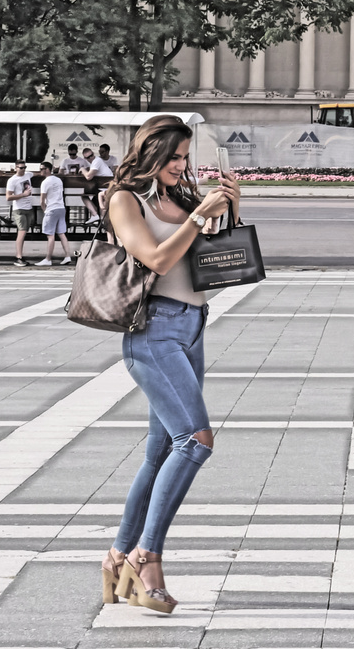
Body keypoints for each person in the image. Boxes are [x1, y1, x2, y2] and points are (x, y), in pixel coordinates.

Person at [101, 115, 241, 614]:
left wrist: (227, 206)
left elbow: (208, 254)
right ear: (151, 153)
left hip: (192, 327)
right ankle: (146, 557)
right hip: (152, 331)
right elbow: (156, 259)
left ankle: (118, 555)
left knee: (160, 454)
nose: (181, 166)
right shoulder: (125, 200)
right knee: (195, 441)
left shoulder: (180, 197)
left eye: (185, 157)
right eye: (174, 158)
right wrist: (196, 215)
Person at [36, 161, 73, 266]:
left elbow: (42, 201)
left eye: (42, 169)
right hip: (61, 207)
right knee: (62, 234)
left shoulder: (45, 182)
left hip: (51, 209)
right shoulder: (58, 180)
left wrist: (45, 211)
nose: (40, 171)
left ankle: (48, 259)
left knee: (50, 235)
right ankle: (67, 256)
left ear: (47, 169)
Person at [5, 161, 39, 267]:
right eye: (21, 168)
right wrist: (23, 195)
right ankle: (18, 256)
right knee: (22, 232)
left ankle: (20, 255)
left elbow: (36, 173)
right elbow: (8, 197)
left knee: (24, 232)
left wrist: (44, 171)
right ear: (16, 168)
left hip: (28, 207)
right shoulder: (12, 180)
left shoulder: (28, 174)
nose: (23, 169)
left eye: (24, 167)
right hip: (19, 209)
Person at [82, 146, 114, 223]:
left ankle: (95, 215)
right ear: (86, 159)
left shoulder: (97, 161)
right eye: (88, 157)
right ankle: (96, 215)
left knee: (85, 196)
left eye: (91, 155)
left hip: (105, 189)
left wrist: (82, 169)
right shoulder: (95, 162)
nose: (91, 157)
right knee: (86, 195)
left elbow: (88, 177)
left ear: (93, 153)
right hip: (103, 187)